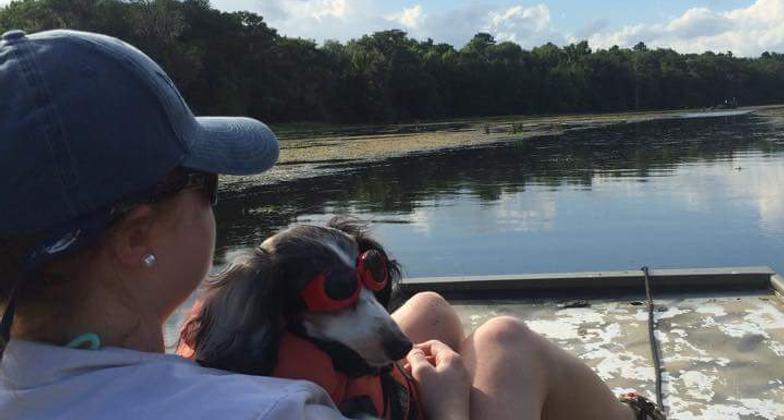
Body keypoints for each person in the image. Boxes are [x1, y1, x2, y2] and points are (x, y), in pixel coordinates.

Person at [0, 29, 644, 419]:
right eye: (207, 184)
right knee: (506, 342)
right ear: (138, 238)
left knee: (428, 315)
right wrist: (447, 406)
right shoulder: (274, 413)